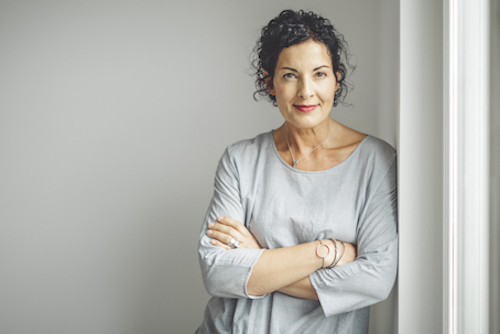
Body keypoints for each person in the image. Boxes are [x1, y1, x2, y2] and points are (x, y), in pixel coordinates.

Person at [196, 9, 398, 334]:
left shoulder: (376, 161)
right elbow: (217, 272)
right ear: (270, 82)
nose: (306, 91)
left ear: (337, 78)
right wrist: (328, 252)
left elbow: (374, 281)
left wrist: (258, 259)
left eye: (319, 74)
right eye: (290, 75)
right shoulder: (240, 160)